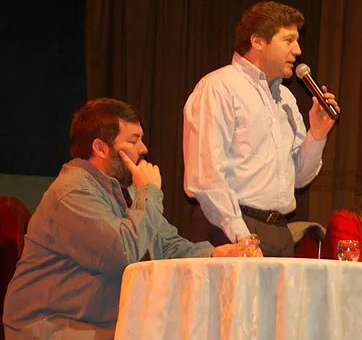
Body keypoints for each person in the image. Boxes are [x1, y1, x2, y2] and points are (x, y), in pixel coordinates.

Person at [3, 98, 241, 340]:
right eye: (133, 140)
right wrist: (148, 192)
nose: (144, 148)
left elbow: (166, 245)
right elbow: (123, 252)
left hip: (97, 324)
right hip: (52, 327)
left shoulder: (125, 190)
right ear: (101, 148)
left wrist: (213, 255)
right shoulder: (72, 192)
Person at [183, 1, 340, 257]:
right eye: (288, 40)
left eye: (297, 41)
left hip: (278, 230)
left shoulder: (287, 99)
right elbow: (205, 175)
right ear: (258, 42)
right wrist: (241, 236)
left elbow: (299, 178)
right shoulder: (220, 87)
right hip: (228, 227)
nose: (297, 50)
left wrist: (317, 134)